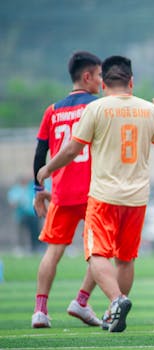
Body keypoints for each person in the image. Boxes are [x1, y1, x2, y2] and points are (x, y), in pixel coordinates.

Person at [37, 55, 154, 333]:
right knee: (126, 258)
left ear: (103, 84)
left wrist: (46, 170)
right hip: (136, 199)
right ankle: (115, 314)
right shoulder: (148, 111)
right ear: (131, 82)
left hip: (104, 197)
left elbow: (72, 150)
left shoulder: (97, 109)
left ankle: (117, 300)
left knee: (97, 253)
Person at [31, 51, 103, 329]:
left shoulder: (53, 110)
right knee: (102, 253)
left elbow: (40, 155)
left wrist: (39, 189)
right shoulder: (97, 107)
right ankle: (82, 301)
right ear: (87, 76)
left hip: (61, 192)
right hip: (94, 193)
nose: (100, 81)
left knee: (53, 252)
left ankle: (39, 310)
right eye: (98, 75)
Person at [7, 176, 44, 253]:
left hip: (33, 215)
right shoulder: (16, 190)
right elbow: (12, 203)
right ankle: (21, 247)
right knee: (21, 231)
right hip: (21, 215)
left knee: (35, 230)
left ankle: (36, 246)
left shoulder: (31, 188)